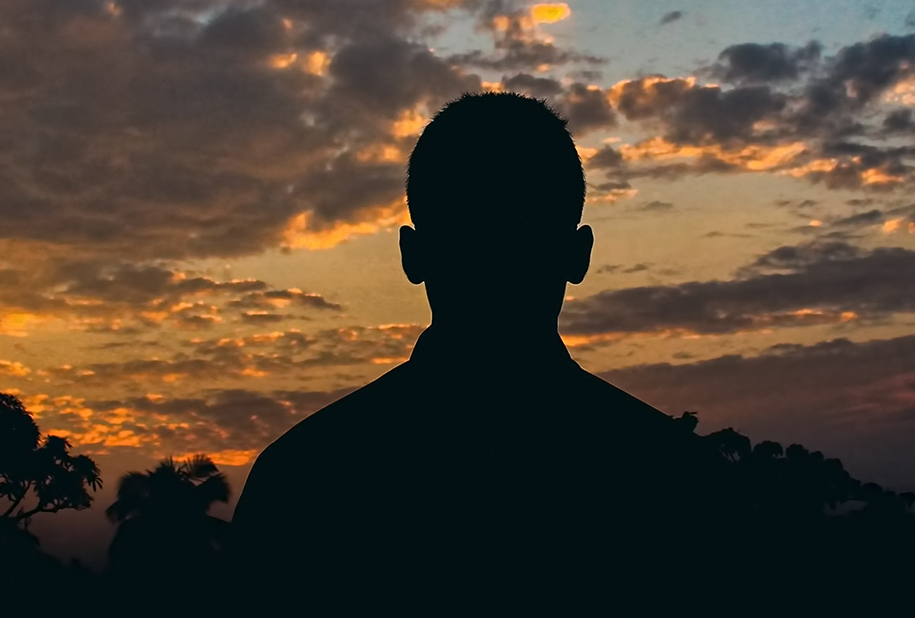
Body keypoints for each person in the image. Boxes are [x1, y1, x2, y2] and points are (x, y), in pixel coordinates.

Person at [229, 92, 727, 612]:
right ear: (578, 256)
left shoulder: (308, 481)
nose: (496, 265)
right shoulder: (673, 482)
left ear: (412, 255)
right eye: (480, 235)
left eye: (511, 235)